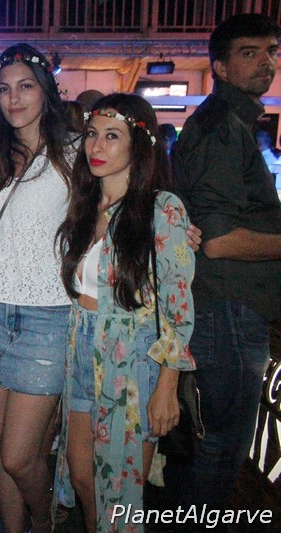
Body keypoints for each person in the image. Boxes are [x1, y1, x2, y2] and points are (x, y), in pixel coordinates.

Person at [54, 94, 195, 532]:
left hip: (133, 359)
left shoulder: (162, 208)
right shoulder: (83, 204)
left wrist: (168, 385)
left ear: (139, 144)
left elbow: (177, 305)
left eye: (112, 136)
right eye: (92, 134)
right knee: (83, 479)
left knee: (119, 494)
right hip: (81, 349)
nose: (96, 146)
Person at [172, 14, 281, 525]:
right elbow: (218, 241)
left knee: (217, 442)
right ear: (218, 66)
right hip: (228, 307)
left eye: (272, 51)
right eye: (249, 52)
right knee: (222, 444)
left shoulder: (232, 123)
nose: (266, 62)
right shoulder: (220, 128)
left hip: (229, 306)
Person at [0, 43, 75, 533]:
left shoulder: (75, 153)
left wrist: (172, 227)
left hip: (48, 317)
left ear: (46, 92)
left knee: (19, 454)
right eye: (4, 89)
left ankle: (46, 521)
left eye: (25, 87)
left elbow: (127, 201)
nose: (14, 98)